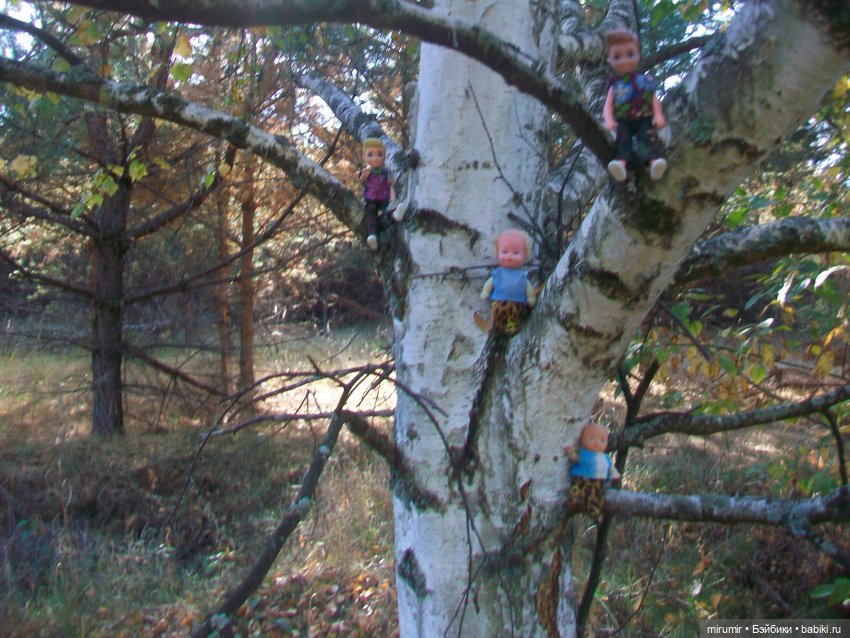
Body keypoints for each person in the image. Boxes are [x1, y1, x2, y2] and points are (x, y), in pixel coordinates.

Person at [602, 28, 668, 182]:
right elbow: (608, 104)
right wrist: (609, 119)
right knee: (623, 140)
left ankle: (653, 162)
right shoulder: (615, 85)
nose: (624, 60)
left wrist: (658, 114)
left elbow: (653, 98)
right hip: (623, 120)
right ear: (609, 59)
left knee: (646, 137)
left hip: (644, 117)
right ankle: (621, 163)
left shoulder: (644, 80)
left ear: (638, 54)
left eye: (630, 54)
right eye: (617, 56)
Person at [476, 229, 537, 336]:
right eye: (504, 252)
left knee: (515, 319)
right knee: (496, 314)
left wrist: (531, 297)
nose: (509, 256)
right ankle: (494, 327)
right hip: (499, 303)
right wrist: (485, 291)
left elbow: (527, 286)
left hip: (518, 305)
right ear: (497, 252)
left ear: (525, 254)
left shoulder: (522, 275)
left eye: (516, 253)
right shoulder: (499, 273)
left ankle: (512, 330)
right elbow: (490, 282)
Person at [565, 422, 621, 521]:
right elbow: (575, 458)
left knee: (596, 496)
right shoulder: (585, 454)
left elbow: (611, 467)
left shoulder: (605, 457)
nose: (596, 443)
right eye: (591, 438)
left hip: (598, 482)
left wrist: (615, 475)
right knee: (576, 490)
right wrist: (571, 453)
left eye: (602, 440)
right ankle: (573, 502)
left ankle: (595, 512)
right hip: (581, 478)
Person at [358, 138, 395, 251]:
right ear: (364, 157)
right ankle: (372, 235)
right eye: (370, 154)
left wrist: (393, 197)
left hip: (384, 198)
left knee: (389, 210)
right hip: (371, 200)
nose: (375, 158)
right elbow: (362, 181)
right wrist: (364, 176)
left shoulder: (386, 171)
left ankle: (395, 215)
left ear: (384, 156)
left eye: (379, 154)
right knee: (371, 216)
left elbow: (390, 185)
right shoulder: (366, 171)